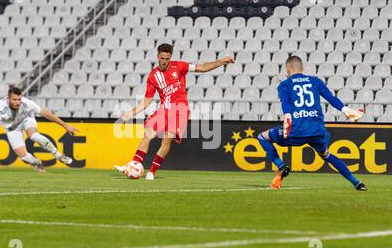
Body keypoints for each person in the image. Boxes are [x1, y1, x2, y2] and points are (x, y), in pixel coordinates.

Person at [115, 43, 235, 180]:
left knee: (167, 139)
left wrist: (221, 62)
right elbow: (147, 101)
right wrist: (130, 113)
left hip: (180, 110)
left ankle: (152, 171)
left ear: (170, 57)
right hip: (164, 110)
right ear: (157, 57)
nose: (164, 61)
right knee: (147, 134)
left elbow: (202, 68)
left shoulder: (179, 66)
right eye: (162, 58)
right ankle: (134, 164)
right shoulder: (153, 76)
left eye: (167, 58)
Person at [257, 56, 367, 191]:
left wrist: (287, 119)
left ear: (287, 69)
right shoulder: (315, 81)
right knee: (326, 155)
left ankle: (281, 166)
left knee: (262, 137)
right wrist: (347, 110)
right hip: (316, 131)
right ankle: (356, 183)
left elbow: (285, 105)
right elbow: (331, 98)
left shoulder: (284, 84)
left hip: (296, 130)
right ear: (302, 67)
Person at [0, 85, 78, 172]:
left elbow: (45, 113)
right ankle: (37, 163)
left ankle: (59, 156)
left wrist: (65, 125)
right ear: (8, 98)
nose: (17, 102)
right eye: (14, 100)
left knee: (34, 136)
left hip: (26, 119)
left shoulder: (26, 103)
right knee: (24, 157)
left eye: (19, 99)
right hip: (12, 128)